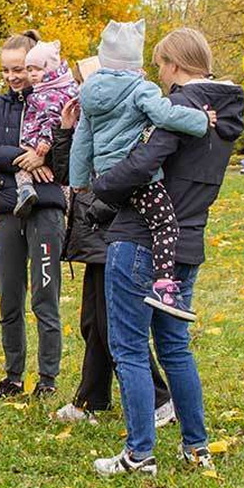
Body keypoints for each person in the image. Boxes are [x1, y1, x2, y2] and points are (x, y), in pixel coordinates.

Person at [89, 27, 244, 476]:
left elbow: (142, 163)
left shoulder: (179, 107)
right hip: (187, 241)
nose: (160, 73)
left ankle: (139, 453)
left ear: (176, 64)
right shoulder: (226, 113)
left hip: (140, 237)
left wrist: (101, 186)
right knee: (176, 348)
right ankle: (197, 449)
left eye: (161, 64)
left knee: (130, 348)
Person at [69, 19, 216, 320]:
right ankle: (164, 285)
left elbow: (82, 141)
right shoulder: (140, 89)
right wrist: (201, 121)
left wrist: (79, 181)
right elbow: (165, 115)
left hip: (108, 174)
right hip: (138, 174)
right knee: (165, 224)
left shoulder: (89, 92)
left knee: (148, 220)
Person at [53, 95, 177, 428]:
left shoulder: (129, 127)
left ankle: (160, 400)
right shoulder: (92, 124)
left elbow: (123, 185)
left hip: (114, 234)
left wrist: (96, 212)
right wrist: (67, 131)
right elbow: (70, 178)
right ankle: (89, 399)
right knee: (94, 323)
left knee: (113, 325)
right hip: (92, 237)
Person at [0, 30, 68, 400]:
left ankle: (48, 378)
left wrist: (46, 154)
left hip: (45, 209)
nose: (14, 77)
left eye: (20, 69)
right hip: (7, 211)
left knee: (45, 297)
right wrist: (25, 156)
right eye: (7, 71)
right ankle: (13, 375)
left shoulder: (56, 101)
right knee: (9, 297)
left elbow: (70, 151)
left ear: (34, 66)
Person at [14, 40, 79, 218]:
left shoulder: (48, 93)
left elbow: (51, 119)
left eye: (38, 69)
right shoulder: (61, 87)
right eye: (29, 70)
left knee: (22, 164)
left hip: (40, 140)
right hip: (57, 143)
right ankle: (69, 207)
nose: (33, 74)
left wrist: (45, 140)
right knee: (62, 178)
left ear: (50, 68)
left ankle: (25, 189)